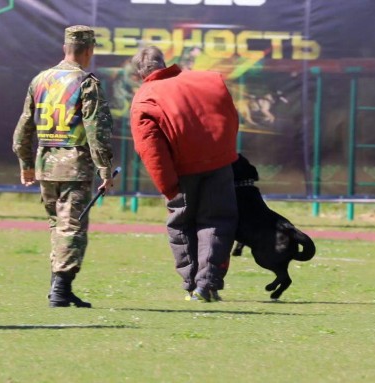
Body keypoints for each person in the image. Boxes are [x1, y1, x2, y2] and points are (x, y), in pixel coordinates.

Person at [12, 25, 116, 308]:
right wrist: (105, 170)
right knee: (71, 227)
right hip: (75, 167)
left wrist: (25, 164)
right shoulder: (86, 82)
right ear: (89, 50)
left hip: (46, 164)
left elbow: (24, 127)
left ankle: (59, 288)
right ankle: (60, 289)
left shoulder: (40, 80)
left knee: (57, 226)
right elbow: (97, 131)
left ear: (65, 48)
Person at [129, 46, 239, 302]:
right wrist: (224, 154)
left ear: (139, 73)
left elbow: (150, 147)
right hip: (218, 165)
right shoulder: (207, 79)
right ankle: (207, 284)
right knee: (217, 222)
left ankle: (192, 284)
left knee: (181, 225)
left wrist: (168, 185)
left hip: (182, 172)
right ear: (165, 63)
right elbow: (231, 117)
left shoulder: (145, 97)